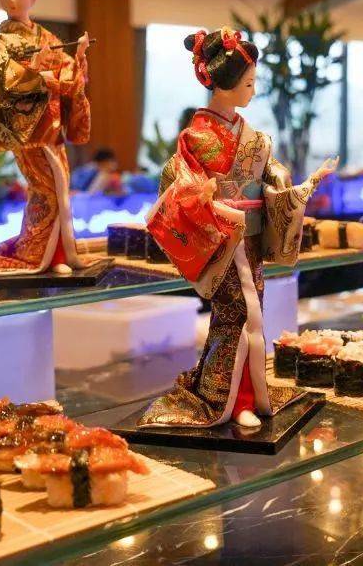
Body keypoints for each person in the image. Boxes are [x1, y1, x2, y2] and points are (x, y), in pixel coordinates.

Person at [138, 27, 337, 430]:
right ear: (224, 85)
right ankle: (226, 397)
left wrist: (289, 183)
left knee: (253, 314)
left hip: (250, 237)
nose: (253, 91)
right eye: (248, 84)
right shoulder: (196, 137)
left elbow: (269, 173)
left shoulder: (253, 137)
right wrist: (207, 200)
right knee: (238, 314)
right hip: (221, 236)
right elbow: (176, 184)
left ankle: (246, 393)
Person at [0, 0, 91, 276]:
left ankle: (59, 254)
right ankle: (36, 255)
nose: (12, 1)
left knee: (60, 187)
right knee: (44, 188)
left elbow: (67, 73)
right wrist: (37, 68)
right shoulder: (2, 42)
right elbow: (8, 80)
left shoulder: (45, 36)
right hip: (25, 125)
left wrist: (78, 58)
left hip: (50, 123)